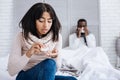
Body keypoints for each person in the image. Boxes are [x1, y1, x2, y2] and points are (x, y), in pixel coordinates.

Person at [7, 3, 77, 80]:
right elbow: (11, 71)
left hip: (45, 76)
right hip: (25, 76)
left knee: (72, 79)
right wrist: (29, 53)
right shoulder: (21, 37)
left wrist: (55, 57)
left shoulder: (57, 37)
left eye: (49, 21)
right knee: (49, 63)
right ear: (33, 21)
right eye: (41, 21)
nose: (46, 26)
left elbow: (55, 69)